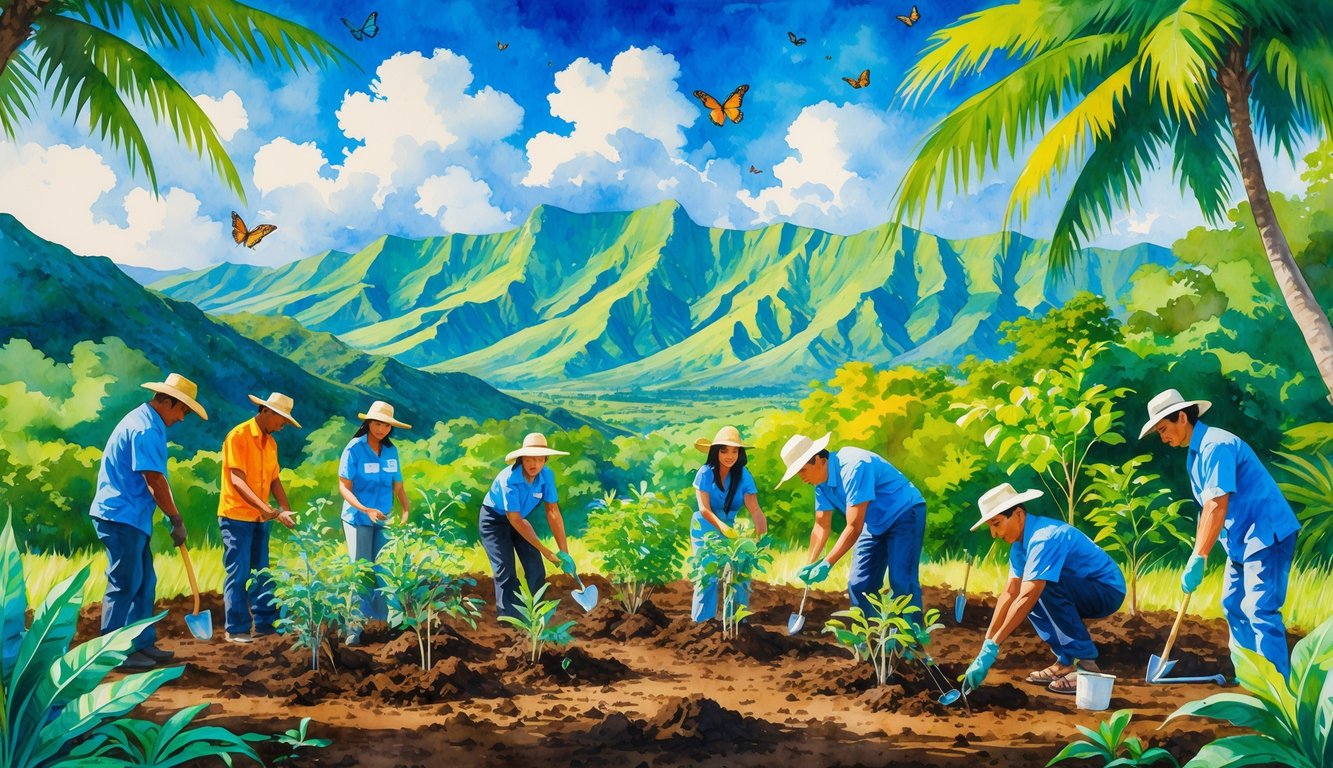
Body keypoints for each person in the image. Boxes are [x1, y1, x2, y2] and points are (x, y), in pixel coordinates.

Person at [1140, 388, 1301, 676]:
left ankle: (1276, 692)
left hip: (1266, 534)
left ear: (1182, 417)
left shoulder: (1216, 446)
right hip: (1241, 540)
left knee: (1260, 611)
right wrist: (1195, 555)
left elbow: (1217, 505)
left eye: (1164, 430)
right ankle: (1250, 679)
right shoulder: (1195, 454)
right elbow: (1206, 509)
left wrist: (1201, 557)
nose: (1163, 438)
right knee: (1232, 606)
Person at [89, 373, 206, 669]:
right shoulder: (145, 429)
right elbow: (154, 479)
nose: (182, 418)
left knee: (144, 582)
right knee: (125, 583)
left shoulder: (149, 422)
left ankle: (141, 644)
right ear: (166, 402)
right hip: (119, 515)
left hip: (132, 516)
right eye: (182, 410)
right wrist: (176, 518)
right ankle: (111, 652)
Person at [961, 483, 1126, 694]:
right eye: (991, 527)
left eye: (997, 524)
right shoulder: (1019, 548)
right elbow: (1010, 593)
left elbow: (1028, 594)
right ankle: (1066, 662)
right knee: (1033, 590)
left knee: (1039, 589)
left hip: (1106, 590)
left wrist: (994, 648)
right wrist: (987, 645)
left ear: (1018, 514)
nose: (994, 534)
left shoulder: (1044, 537)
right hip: (1078, 589)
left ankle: (1087, 666)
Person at [776, 432, 927, 614]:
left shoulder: (854, 466)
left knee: (902, 581)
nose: (801, 477)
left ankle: (910, 639)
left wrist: (827, 563)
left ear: (817, 459)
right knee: (859, 583)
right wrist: (812, 563)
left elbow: (854, 527)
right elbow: (821, 525)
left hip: (904, 512)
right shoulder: (820, 485)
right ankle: (870, 636)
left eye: (802, 469)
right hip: (873, 522)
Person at [218, 392, 300, 644]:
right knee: (239, 572)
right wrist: (264, 506)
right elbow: (237, 480)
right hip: (236, 517)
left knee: (262, 573)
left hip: (260, 519)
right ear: (266, 412)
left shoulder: (271, 444)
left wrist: (283, 508)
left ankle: (266, 624)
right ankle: (237, 628)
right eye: (281, 420)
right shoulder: (238, 436)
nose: (282, 425)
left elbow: (274, 479)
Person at [479, 433, 578, 621]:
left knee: (536, 568)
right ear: (522, 458)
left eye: (540, 459)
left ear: (545, 460)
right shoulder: (509, 479)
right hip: (494, 521)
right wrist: (547, 552)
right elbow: (514, 519)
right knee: (505, 570)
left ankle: (539, 613)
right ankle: (510, 621)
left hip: (521, 520)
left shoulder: (546, 476)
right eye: (530, 459)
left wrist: (564, 551)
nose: (535, 464)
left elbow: (553, 511)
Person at [337, 400, 411, 643]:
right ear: (368, 423)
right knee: (361, 569)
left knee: (385, 568)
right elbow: (344, 488)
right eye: (377, 424)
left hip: (383, 519)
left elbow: (397, 484)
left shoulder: (391, 451)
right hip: (357, 518)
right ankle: (355, 628)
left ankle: (388, 625)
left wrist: (405, 509)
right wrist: (365, 508)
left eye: (386, 425)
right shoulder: (353, 449)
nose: (381, 429)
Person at [690, 426, 768, 622]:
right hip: (705, 526)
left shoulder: (743, 475)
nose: (729, 456)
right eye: (724, 450)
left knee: (740, 570)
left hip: (731, 528)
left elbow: (756, 510)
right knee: (707, 573)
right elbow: (704, 509)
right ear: (716, 451)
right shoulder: (705, 473)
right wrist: (721, 527)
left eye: (735, 451)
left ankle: (738, 623)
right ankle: (702, 623)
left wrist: (762, 538)